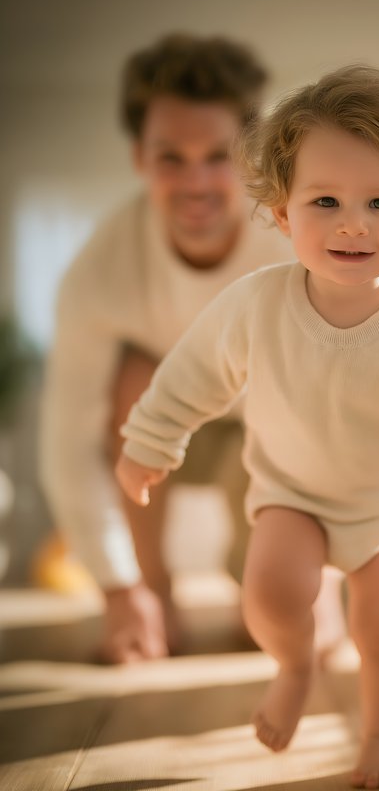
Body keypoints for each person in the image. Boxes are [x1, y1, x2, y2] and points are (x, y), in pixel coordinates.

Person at [116, 65, 379, 789]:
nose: (352, 223)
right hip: (293, 493)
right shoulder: (256, 305)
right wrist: (151, 442)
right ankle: (297, 661)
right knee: (267, 595)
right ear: (281, 212)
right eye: (325, 200)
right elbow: (193, 373)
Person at [39, 33, 304, 664]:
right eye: (171, 158)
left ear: (253, 157)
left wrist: (337, 573)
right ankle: (155, 590)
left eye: (218, 156)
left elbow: (350, 399)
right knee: (133, 373)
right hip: (160, 432)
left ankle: (264, 583)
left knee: (271, 624)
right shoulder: (99, 270)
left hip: (271, 435)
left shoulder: (301, 237)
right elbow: (68, 442)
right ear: (139, 158)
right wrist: (117, 584)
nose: (198, 182)